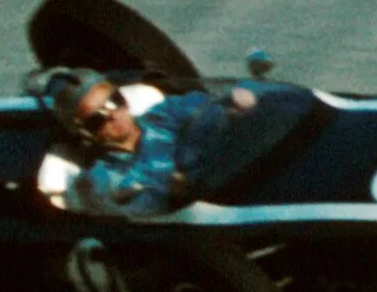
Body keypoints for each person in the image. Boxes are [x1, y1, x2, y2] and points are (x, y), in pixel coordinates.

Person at [47, 68, 257, 218]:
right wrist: (177, 191)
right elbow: (148, 217)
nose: (113, 114)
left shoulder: (164, 114)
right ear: (84, 133)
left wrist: (236, 106)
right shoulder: (102, 180)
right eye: (97, 118)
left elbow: (215, 110)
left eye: (114, 100)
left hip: (246, 180)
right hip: (210, 230)